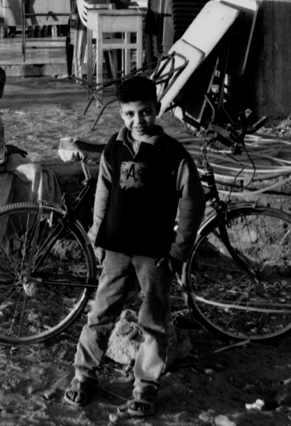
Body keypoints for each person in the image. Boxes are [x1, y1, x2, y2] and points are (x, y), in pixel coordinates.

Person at [63, 75, 205, 418]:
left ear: (157, 109)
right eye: (129, 114)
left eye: (144, 112)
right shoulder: (114, 146)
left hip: (155, 253)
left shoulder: (173, 154)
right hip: (116, 249)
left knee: (153, 321)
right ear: (121, 114)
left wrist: (178, 250)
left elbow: (192, 203)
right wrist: (98, 236)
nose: (137, 121)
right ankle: (84, 374)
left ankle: (145, 386)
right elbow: (102, 191)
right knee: (100, 313)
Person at [0, 64, 62, 282]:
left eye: (1, 85)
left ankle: (33, 228)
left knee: (36, 172)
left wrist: (9, 152)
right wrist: (10, 151)